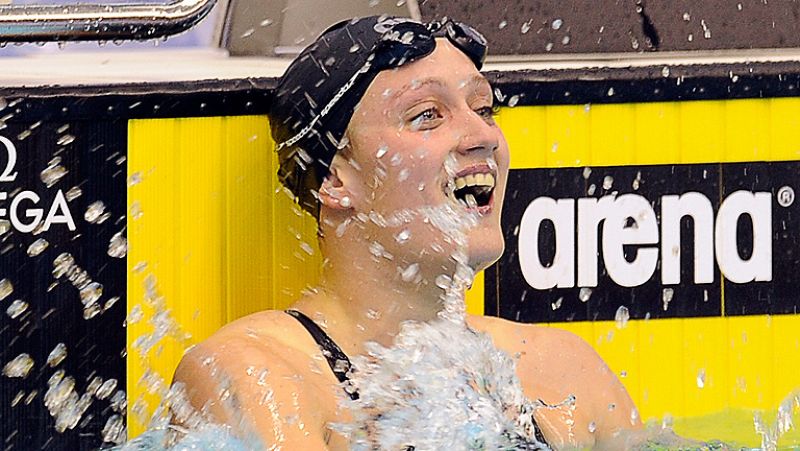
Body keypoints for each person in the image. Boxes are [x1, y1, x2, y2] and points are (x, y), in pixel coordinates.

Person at [172, 15, 645, 450]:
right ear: (337, 179)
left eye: (484, 108)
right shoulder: (258, 376)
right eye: (426, 115)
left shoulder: (563, 372)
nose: (483, 136)